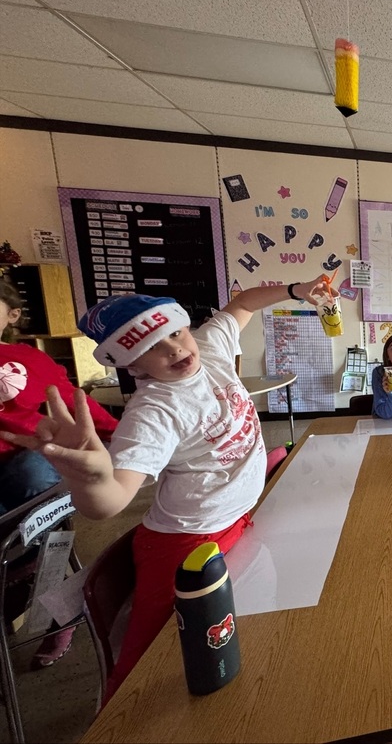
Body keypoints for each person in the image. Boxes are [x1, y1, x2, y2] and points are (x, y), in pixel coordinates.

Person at [1, 277, 333, 701]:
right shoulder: (155, 410)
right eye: (151, 347)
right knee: (148, 664)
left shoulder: (207, 346)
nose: (174, 348)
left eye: (175, 333)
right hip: (184, 544)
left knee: (233, 639)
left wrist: (296, 291)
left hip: (237, 521)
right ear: (133, 365)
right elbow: (113, 500)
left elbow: (244, 303)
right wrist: (93, 479)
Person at [1, 280, 121, 669]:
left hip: (31, 470)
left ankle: (36, 582)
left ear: (12, 315)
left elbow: (76, 406)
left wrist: (123, 438)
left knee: (33, 469)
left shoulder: (27, 358)